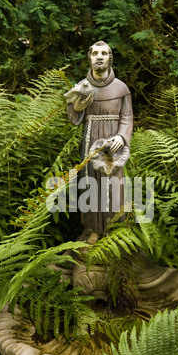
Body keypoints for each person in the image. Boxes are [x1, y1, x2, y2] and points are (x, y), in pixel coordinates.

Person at [67, 41, 133, 238]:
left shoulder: (121, 88)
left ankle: (115, 230)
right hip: (90, 141)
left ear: (110, 58)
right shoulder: (82, 87)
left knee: (114, 186)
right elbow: (73, 116)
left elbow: (127, 117)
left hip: (114, 144)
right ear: (90, 58)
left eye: (104, 53)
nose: (99, 57)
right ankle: (92, 229)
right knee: (89, 184)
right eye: (95, 53)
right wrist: (77, 108)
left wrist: (122, 136)